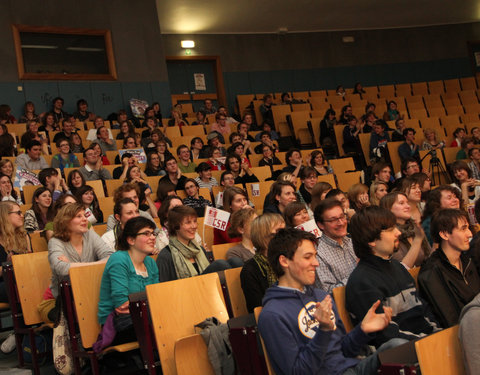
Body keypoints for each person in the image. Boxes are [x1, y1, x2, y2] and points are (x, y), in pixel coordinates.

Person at [258, 228, 398, 375]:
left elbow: (343, 350)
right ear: (284, 261)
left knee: (399, 348)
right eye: (307, 257)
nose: (316, 263)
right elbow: (298, 372)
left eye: (315, 256)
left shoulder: (320, 296)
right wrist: (323, 331)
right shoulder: (273, 314)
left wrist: (363, 331)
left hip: (351, 368)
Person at [346, 206, 440, 348]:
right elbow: (386, 336)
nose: (398, 233)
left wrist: (438, 334)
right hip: (404, 354)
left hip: (429, 342)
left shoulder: (397, 267)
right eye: (390, 230)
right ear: (371, 240)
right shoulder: (362, 282)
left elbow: (423, 309)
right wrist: (430, 342)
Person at [43, 203, 112, 322]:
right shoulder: (55, 242)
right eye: (78, 216)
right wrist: (97, 264)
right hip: (65, 297)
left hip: (91, 291)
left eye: (84, 215)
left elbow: (110, 257)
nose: (85, 219)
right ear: (65, 221)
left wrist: (73, 265)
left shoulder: (90, 235)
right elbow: (60, 268)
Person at [97, 216, 159, 345]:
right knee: (161, 320)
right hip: (118, 323)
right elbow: (122, 304)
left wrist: (145, 305)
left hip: (143, 317)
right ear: (131, 240)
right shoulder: (119, 259)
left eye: (153, 233)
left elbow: (157, 298)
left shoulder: (150, 263)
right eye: (146, 234)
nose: (153, 237)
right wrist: (148, 304)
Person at [418, 209, 480, 328]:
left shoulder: (467, 260)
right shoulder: (431, 272)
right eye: (463, 229)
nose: (470, 234)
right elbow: (451, 319)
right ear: (445, 234)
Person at [156, 205, 235, 282]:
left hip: (207, 290)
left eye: (195, 221)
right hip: (184, 293)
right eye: (188, 222)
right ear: (175, 227)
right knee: (220, 264)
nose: (194, 226)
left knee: (235, 262)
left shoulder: (200, 249)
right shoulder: (165, 256)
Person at [240, 213, 285, 313]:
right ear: (262, 235)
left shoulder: (290, 259)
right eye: (279, 232)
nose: (285, 236)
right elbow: (257, 309)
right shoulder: (251, 269)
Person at [313, 198, 356, 292]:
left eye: (342, 217)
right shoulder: (317, 254)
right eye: (333, 220)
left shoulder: (352, 242)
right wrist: (359, 273)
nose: (341, 223)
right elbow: (327, 292)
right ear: (321, 225)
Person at [380, 192, 431, 268]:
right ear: (388, 209)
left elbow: (430, 258)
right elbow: (401, 269)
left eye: (407, 203)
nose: (408, 206)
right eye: (401, 203)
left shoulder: (414, 228)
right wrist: (418, 239)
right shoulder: (387, 233)